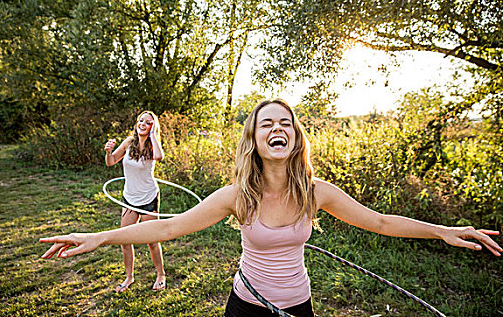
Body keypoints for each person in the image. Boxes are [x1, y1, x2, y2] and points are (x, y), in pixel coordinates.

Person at [41, 99, 501, 316]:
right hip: (245, 307)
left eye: (286, 123)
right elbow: (167, 229)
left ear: (295, 138)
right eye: (267, 124)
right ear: (255, 139)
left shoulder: (316, 192)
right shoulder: (236, 195)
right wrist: (100, 236)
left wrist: (440, 229)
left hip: (299, 307)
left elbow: (379, 221)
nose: (277, 128)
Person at [103, 110, 166, 293]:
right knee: (125, 239)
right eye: (141, 121)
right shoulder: (129, 143)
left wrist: (153, 135)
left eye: (148, 122)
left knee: (152, 240)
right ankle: (129, 277)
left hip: (148, 198)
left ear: (153, 127)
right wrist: (108, 152)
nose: (142, 124)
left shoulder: (153, 145)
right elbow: (111, 161)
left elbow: (160, 156)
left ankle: (161, 274)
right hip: (129, 198)